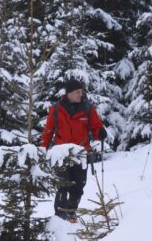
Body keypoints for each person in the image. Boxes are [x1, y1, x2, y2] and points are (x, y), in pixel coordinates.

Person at [41, 79, 108, 223]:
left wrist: (100, 132)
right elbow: (48, 131)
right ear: (69, 93)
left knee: (78, 187)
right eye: (77, 92)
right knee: (62, 186)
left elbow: (96, 127)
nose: (80, 94)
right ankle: (59, 218)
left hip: (81, 153)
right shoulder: (57, 109)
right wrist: (42, 149)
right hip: (61, 153)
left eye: (81, 91)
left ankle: (71, 213)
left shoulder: (88, 109)